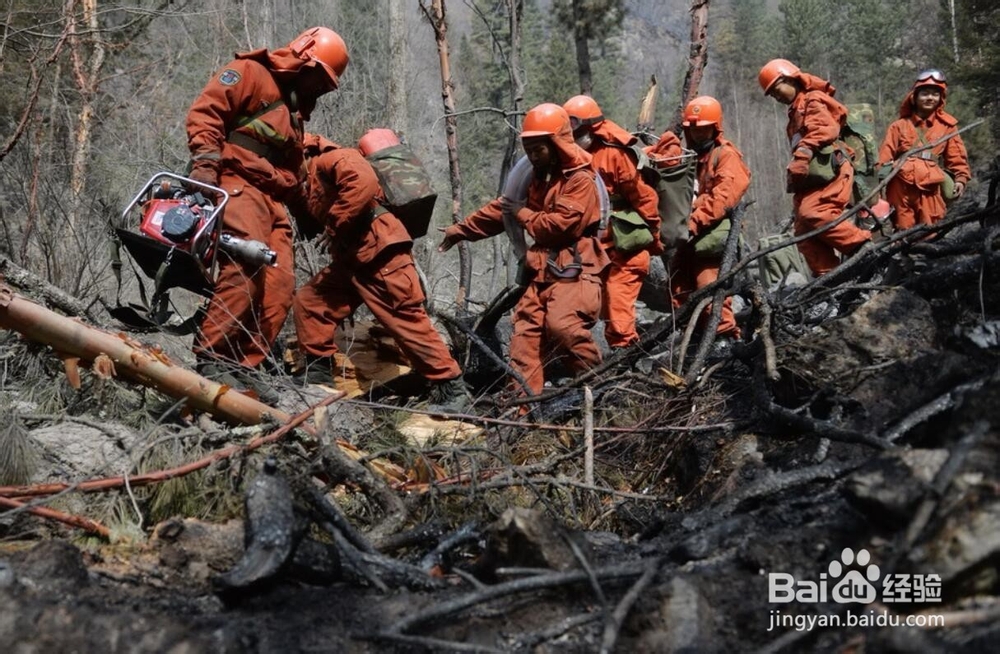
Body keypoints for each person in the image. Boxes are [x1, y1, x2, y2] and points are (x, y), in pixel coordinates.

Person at [185, 27, 349, 403]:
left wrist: (306, 213)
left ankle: (244, 364)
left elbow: (292, 172)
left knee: (279, 285)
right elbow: (206, 112)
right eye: (320, 79)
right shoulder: (250, 73)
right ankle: (213, 355)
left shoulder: (293, 114)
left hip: (272, 200)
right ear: (303, 60)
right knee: (244, 267)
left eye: (327, 85)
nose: (321, 90)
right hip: (236, 183)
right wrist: (206, 166)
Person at [438, 103, 610, 400]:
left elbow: (558, 227)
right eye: (528, 148)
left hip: (576, 268)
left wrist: (524, 215)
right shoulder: (535, 178)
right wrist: (461, 230)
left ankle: (599, 391)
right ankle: (524, 407)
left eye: (538, 148)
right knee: (524, 339)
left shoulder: (580, 180)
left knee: (564, 327)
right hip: (541, 269)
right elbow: (504, 209)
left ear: (556, 144)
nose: (532, 155)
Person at [288, 133, 469, 413]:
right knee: (311, 301)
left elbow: (363, 182)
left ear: (304, 151)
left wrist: (334, 224)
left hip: (381, 251)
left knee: (406, 321)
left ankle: (451, 388)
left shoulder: (334, 157)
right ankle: (317, 375)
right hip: (353, 259)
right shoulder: (309, 180)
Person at [562, 95, 662, 349]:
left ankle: (624, 358)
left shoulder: (614, 155)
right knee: (599, 306)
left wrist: (656, 236)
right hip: (594, 248)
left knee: (618, 307)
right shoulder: (569, 158)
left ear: (591, 128)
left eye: (579, 130)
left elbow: (644, 197)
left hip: (626, 247)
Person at [759, 58, 871, 276]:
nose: (777, 96)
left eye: (777, 89)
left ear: (789, 79)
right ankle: (832, 278)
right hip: (812, 179)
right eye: (772, 94)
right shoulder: (794, 115)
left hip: (831, 172)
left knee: (815, 214)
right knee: (803, 232)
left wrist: (803, 153)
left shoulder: (813, 99)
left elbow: (825, 129)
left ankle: (862, 248)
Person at [670, 96, 751, 343]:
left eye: (702, 128)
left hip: (711, 239)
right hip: (689, 239)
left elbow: (723, 197)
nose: (697, 134)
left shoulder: (725, 155)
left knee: (710, 294)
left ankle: (727, 343)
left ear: (714, 128)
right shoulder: (688, 158)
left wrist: (693, 221)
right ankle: (694, 342)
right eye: (692, 129)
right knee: (679, 292)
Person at [877, 69, 972, 230]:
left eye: (935, 94)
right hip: (901, 186)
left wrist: (961, 178)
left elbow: (956, 157)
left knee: (930, 231)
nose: (930, 98)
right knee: (902, 230)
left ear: (941, 98)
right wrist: (878, 192)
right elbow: (884, 158)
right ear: (914, 97)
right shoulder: (899, 126)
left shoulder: (947, 126)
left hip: (931, 186)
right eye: (925, 93)